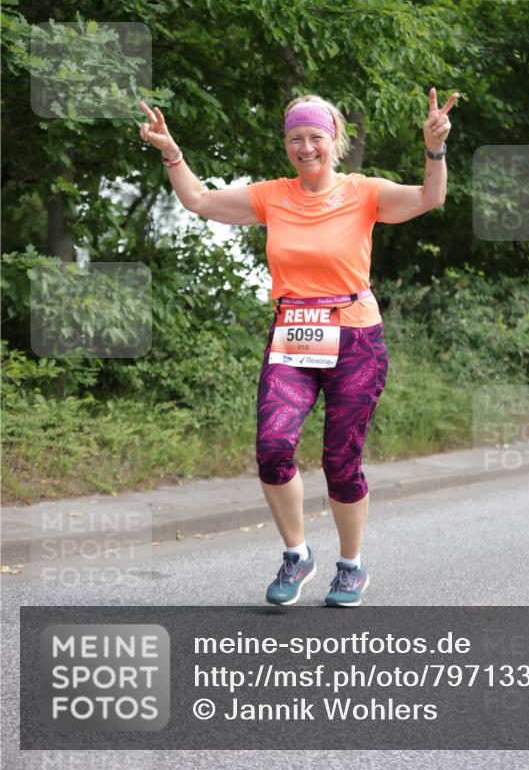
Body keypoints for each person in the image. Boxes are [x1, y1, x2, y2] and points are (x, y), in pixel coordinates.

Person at [138, 87, 457, 606]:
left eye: (315, 137)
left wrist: (434, 149)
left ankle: (351, 567)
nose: (305, 147)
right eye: (295, 139)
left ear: (333, 141)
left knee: (341, 460)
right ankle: (296, 554)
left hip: (355, 337)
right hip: (292, 338)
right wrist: (172, 153)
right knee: (272, 447)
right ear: (286, 144)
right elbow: (197, 201)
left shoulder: (364, 191)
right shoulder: (272, 196)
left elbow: (430, 198)